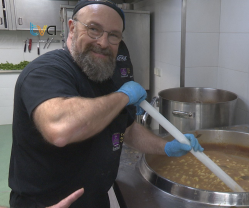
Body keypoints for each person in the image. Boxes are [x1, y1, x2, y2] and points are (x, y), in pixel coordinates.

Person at [8, 0, 204, 207]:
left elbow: (126, 129)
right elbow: (61, 128)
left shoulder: (104, 79)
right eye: (94, 29)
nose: (103, 42)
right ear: (72, 28)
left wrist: (167, 147)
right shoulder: (46, 71)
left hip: (96, 200)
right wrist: (123, 97)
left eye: (113, 35)